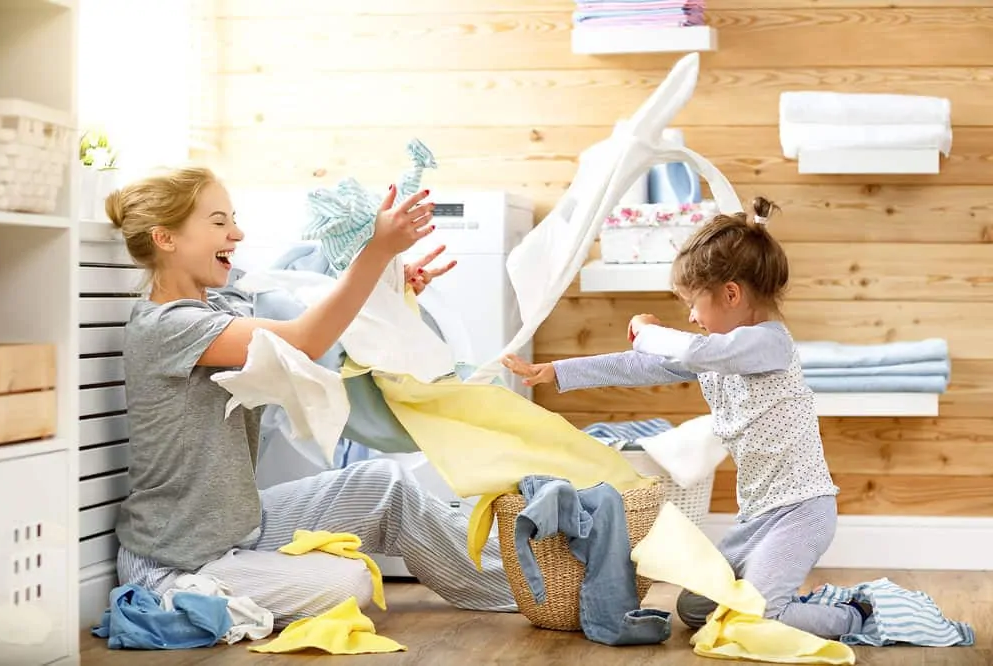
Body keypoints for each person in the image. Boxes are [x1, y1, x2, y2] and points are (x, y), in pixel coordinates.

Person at [106, 165, 516, 626]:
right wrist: (379, 251)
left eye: (233, 219)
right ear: (166, 239)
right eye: (219, 222)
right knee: (351, 583)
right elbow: (304, 340)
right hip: (178, 560)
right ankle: (178, 597)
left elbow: (319, 311)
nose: (237, 233)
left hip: (243, 524)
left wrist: (389, 290)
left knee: (387, 484)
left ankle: (527, 587)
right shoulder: (169, 328)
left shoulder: (225, 301)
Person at [503, 197, 871, 639]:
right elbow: (638, 366)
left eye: (693, 304)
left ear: (731, 294)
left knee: (760, 615)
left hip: (800, 511)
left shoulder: (769, 344)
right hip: (754, 518)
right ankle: (789, 599)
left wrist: (650, 332)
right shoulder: (715, 354)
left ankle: (855, 615)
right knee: (695, 608)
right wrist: (558, 372)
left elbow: (696, 351)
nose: (691, 317)